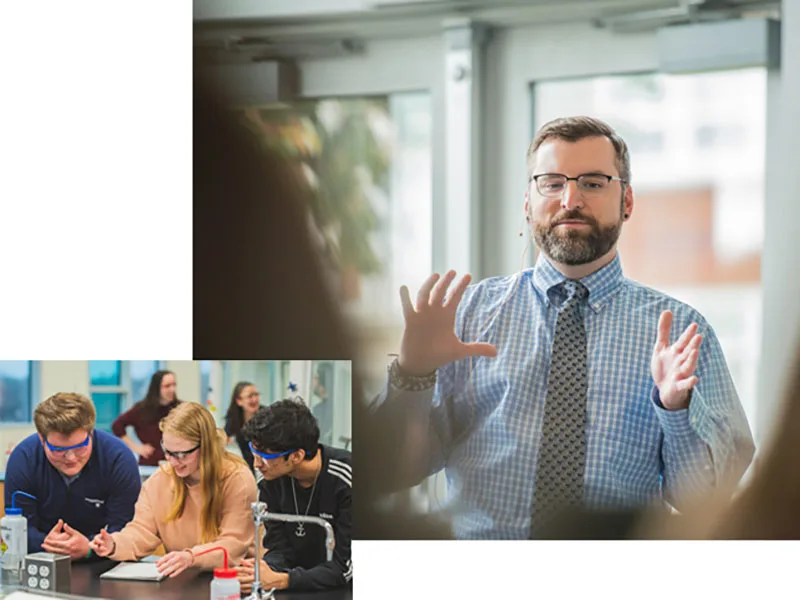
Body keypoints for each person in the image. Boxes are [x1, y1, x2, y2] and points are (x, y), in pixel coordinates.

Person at [370, 115, 756, 539]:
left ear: (627, 202)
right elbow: (393, 472)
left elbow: (704, 500)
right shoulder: (467, 316)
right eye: (552, 183)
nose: (570, 199)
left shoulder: (682, 333)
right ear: (527, 202)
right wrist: (413, 375)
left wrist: (675, 409)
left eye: (593, 182)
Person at [89, 402, 257, 578]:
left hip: (233, 580)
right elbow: (141, 532)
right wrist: (114, 544)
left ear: (206, 447)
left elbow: (232, 545)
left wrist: (191, 557)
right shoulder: (160, 480)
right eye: (168, 452)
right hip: (184, 580)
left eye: (182, 454)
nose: (173, 462)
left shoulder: (237, 480)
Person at [3, 392, 140, 559]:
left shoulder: (119, 460)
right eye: (58, 450)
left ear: (91, 433)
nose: (71, 458)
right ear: (41, 439)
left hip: (103, 563)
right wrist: (48, 544)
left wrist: (89, 547)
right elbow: (18, 528)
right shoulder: (23, 459)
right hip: (40, 561)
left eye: (80, 447)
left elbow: (126, 530)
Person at [234, 399, 352, 593]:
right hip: (298, 586)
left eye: (264, 456)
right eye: (253, 453)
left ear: (296, 456)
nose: (256, 464)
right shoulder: (270, 481)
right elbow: (278, 548)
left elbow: (345, 567)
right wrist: (265, 570)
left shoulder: (347, 480)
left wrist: (284, 580)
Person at [111, 370, 181, 466]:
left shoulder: (181, 408)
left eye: (174, 385)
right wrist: (136, 448)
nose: (172, 389)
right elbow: (117, 426)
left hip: (177, 463)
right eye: (167, 386)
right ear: (156, 388)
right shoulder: (141, 409)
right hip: (150, 464)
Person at [224, 381, 262, 471]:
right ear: (239, 401)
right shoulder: (233, 419)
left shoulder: (268, 415)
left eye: (256, 395)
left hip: (265, 463)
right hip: (246, 464)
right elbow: (223, 438)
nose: (254, 399)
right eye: (250, 396)